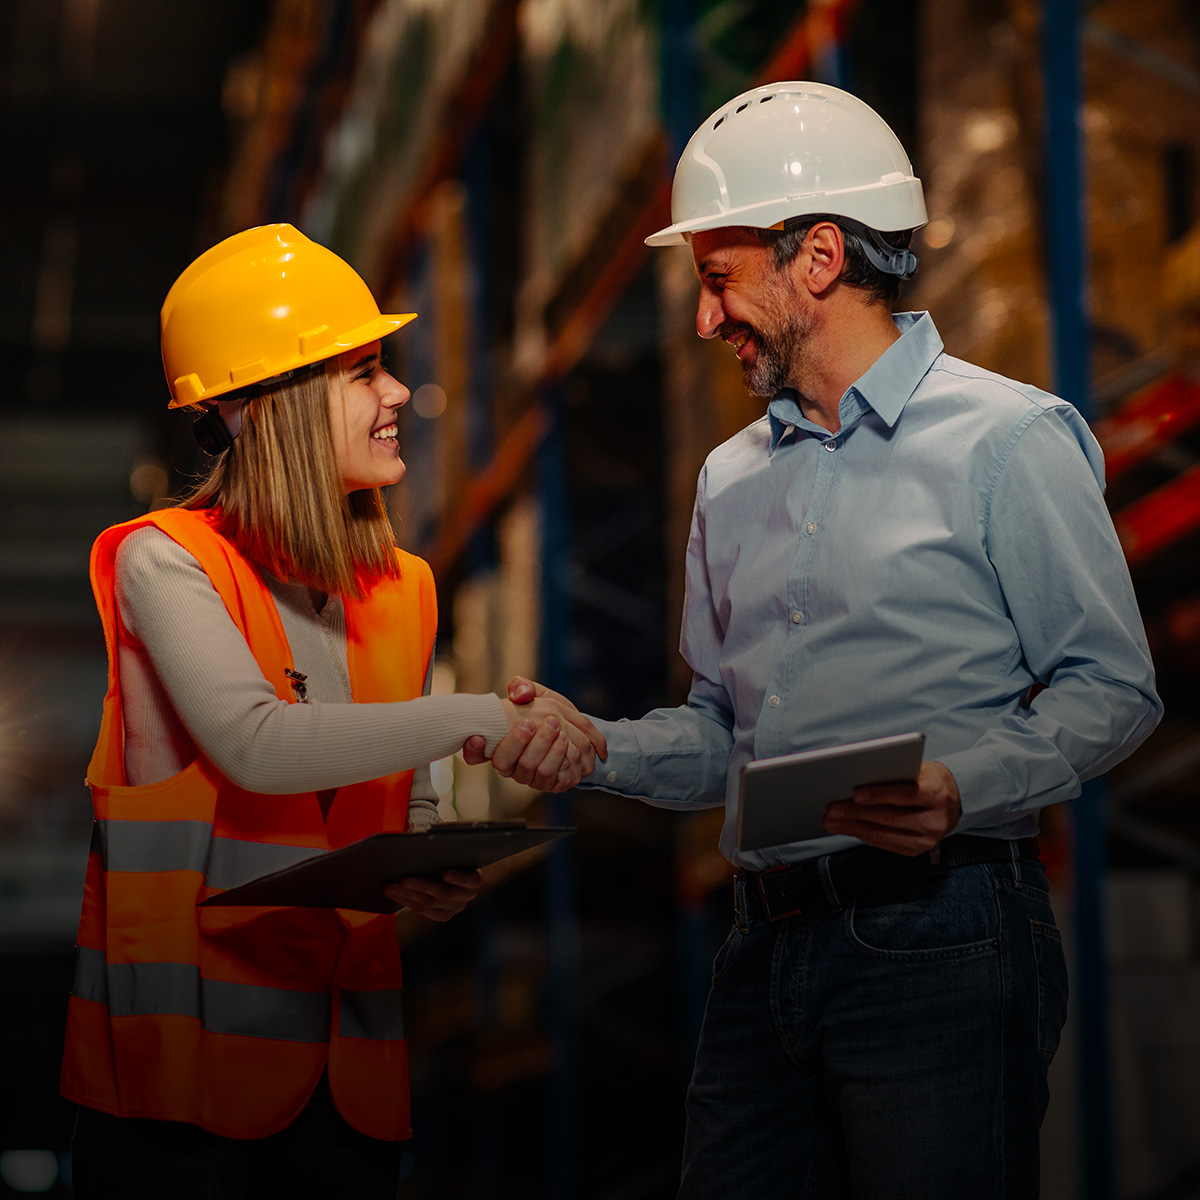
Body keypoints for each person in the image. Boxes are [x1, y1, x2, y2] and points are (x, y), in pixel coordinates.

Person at [473, 83, 1163, 1198]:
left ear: (821, 257)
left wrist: (960, 783)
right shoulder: (730, 479)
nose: (705, 321)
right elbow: (721, 739)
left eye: (717, 280)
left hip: (942, 932)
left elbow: (1113, 687)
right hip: (762, 953)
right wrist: (594, 744)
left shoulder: (1011, 438)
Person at [61, 223, 606, 1199]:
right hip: (176, 1096)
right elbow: (258, 746)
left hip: (345, 1081)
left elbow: (408, 811)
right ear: (262, 408)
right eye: (361, 373)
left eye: (384, 367)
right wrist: (476, 715)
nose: (397, 394)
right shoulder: (164, 561)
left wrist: (429, 872)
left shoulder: (404, 588)